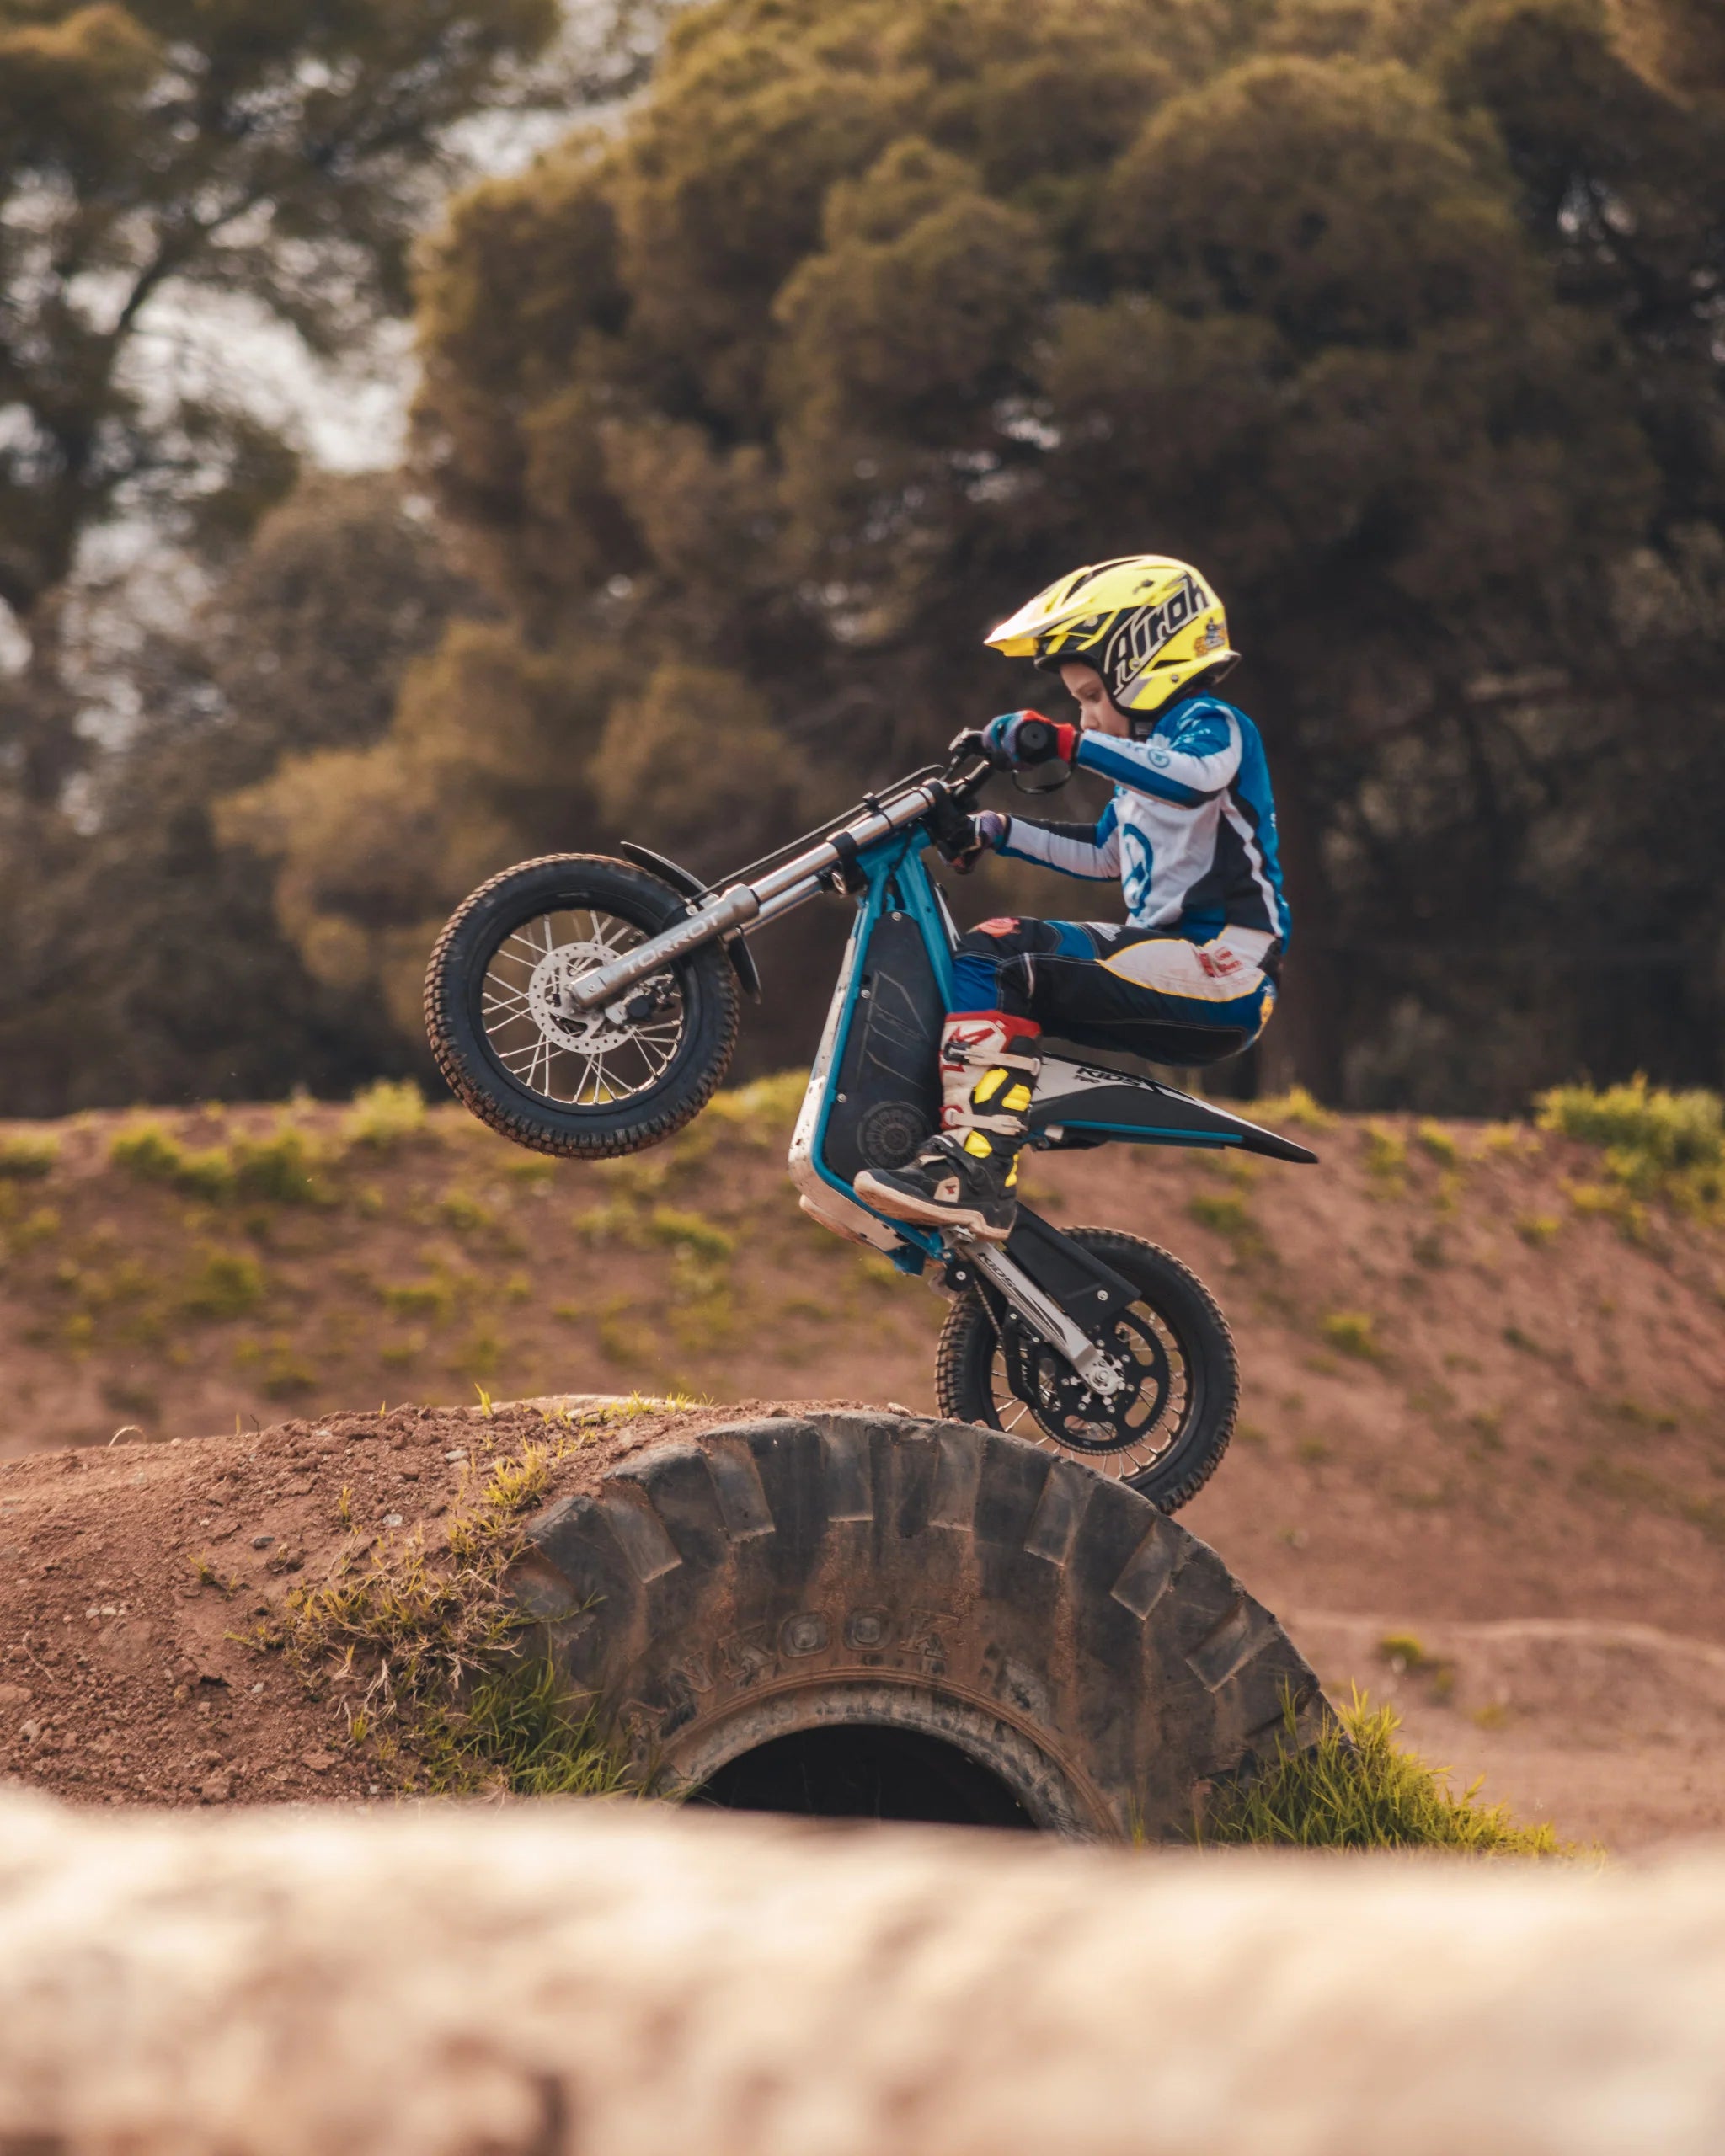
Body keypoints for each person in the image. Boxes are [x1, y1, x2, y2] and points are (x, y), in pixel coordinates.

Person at [854, 554, 1289, 1242]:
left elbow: (1192, 779)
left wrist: (1062, 741)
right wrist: (993, 830)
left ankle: (976, 1169)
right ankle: (945, 1150)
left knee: (1002, 952)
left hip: (1226, 968)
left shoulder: (1214, 725)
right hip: (1177, 964)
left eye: (1089, 695)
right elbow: (1104, 853)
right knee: (982, 980)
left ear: (1144, 661)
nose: (1085, 716)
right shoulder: (1142, 770)